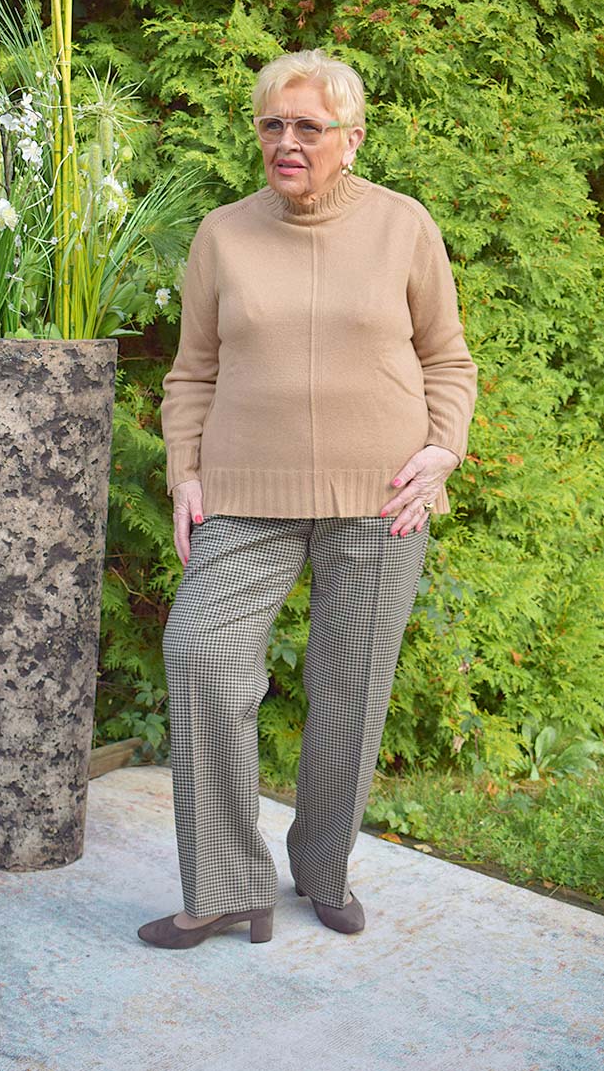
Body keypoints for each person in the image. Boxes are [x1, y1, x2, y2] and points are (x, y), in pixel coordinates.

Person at [137, 50, 478, 950]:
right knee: (200, 653)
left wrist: (443, 449)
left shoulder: (403, 226)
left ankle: (323, 870)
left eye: (308, 127)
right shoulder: (222, 235)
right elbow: (192, 372)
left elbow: (446, 357)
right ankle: (226, 887)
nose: (286, 142)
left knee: (349, 689)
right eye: (271, 125)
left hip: (381, 497)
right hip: (244, 495)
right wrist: (185, 473)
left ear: (350, 139)